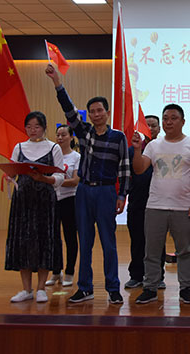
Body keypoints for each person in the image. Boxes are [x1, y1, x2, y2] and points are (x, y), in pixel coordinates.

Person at [45, 64, 129, 305]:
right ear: (89, 115)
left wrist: (122, 195)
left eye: (100, 110)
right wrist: (57, 82)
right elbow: (68, 108)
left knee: (109, 243)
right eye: (92, 111)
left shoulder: (118, 137)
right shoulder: (84, 132)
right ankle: (85, 288)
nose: (96, 114)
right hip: (83, 191)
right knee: (85, 242)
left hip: (106, 192)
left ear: (107, 112)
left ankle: (113, 288)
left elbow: (124, 168)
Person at [132, 104, 190, 305]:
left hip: (182, 207)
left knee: (184, 251)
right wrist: (137, 150)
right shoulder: (153, 145)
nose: (168, 122)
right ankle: (150, 288)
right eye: (165, 118)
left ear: (183, 121)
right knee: (152, 251)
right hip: (155, 206)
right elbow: (139, 169)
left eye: (173, 118)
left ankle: (185, 288)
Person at [7, 111, 64, 303]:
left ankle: (41, 288)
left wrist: (43, 178)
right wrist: (9, 176)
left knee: (44, 241)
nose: (33, 130)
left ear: (44, 128)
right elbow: (13, 172)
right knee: (23, 241)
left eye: (37, 126)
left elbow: (60, 177)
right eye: (29, 127)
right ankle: (26, 289)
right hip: (23, 202)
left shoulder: (53, 147)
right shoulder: (19, 147)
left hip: (45, 201)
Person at [124, 114, 167, 291]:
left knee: (157, 241)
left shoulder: (164, 149)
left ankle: (158, 276)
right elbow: (126, 175)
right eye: (146, 125)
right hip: (137, 201)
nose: (150, 128)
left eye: (153, 125)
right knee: (137, 240)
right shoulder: (132, 150)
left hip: (159, 202)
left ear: (159, 129)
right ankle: (136, 276)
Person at [46, 124, 80, 288]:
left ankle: (69, 272)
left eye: (64, 135)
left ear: (71, 137)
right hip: (53, 199)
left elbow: (75, 181)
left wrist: (54, 181)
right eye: (58, 135)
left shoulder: (76, 157)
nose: (60, 138)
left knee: (70, 237)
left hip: (70, 200)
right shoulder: (51, 156)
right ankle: (55, 271)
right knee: (53, 237)